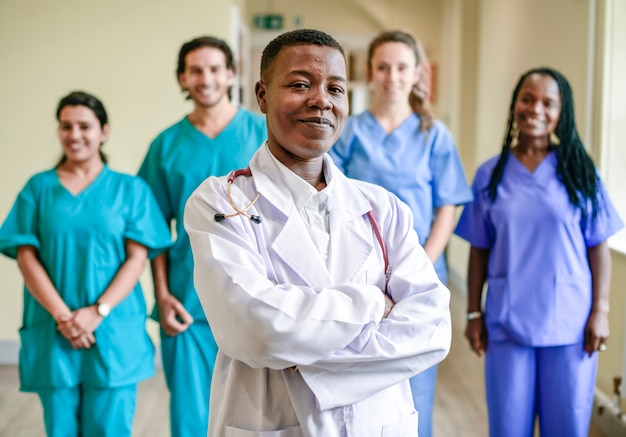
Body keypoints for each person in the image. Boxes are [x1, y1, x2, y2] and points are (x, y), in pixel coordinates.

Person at [184, 28, 451, 436]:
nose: (321, 100)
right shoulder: (222, 203)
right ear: (261, 95)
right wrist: (372, 305)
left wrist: (304, 349)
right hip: (272, 420)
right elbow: (258, 330)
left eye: (335, 88)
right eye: (299, 84)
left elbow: (431, 329)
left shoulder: (383, 208)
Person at [455, 67, 623, 437]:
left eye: (549, 102)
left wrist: (601, 310)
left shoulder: (580, 172)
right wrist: (473, 312)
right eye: (528, 99)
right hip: (507, 319)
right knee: (508, 427)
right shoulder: (491, 174)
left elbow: (598, 247)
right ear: (515, 105)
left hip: (570, 325)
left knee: (567, 426)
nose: (536, 109)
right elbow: (479, 250)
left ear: (563, 113)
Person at [0, 91, 172, 436]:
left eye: (84, 126)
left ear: (104, 131)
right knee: (60, 428)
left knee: (110, 428)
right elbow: (25, 256)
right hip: (54, 328)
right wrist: (64, 317)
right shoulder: (39, 188)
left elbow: (137, 259)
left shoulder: (130, 189)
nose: (74, 135)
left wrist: (98, 311)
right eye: (66, 126)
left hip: (113, 329)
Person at [328, 29, 472, 437]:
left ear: (417, 74)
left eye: (401, 67)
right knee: (360, 380)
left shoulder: (434, 135)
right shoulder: (349, 132)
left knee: (416, 380)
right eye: (383, 67)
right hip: (360, 273)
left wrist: (420, 262)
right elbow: (331, 198)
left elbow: (449, 204)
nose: (392, 76)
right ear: (370, 72)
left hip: (420, 271)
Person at [137, 35, 266, 436]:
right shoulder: (166, 146)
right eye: (195, 70)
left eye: (214, 68)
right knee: (192, 417)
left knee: (261, 415)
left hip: (258, 294)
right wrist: (161, 293)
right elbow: (152, 228)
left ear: (231, 73)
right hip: (187, 301)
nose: (205, 78)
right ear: (182, 78)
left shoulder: (264, 132)